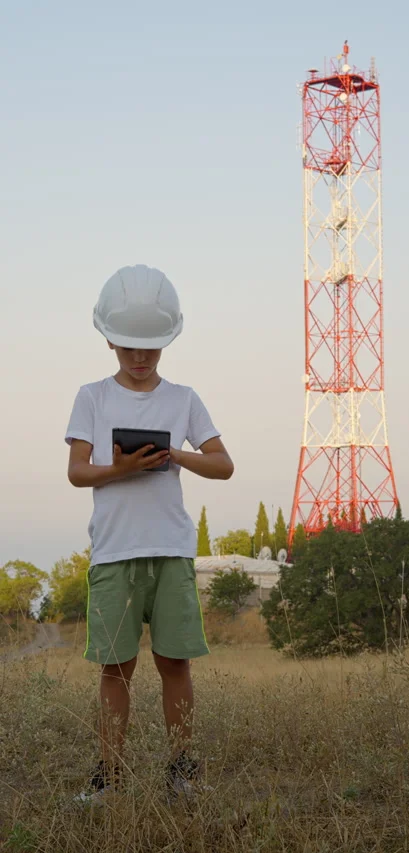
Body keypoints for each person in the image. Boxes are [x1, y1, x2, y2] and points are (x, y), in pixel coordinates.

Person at [65, 264, 233, 804]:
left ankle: (182, 769)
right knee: (115, 670)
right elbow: (77, 472)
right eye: (131, 348)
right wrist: (123, 469)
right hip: (114, 553)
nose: (141, 359)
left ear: (166, 344)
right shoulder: (91, 397)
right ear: (110, 340)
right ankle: (109, 777)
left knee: (174, 664)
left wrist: (170, 456)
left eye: (152, 349)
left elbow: (223, 465)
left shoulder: (183, 398)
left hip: (171, 550)